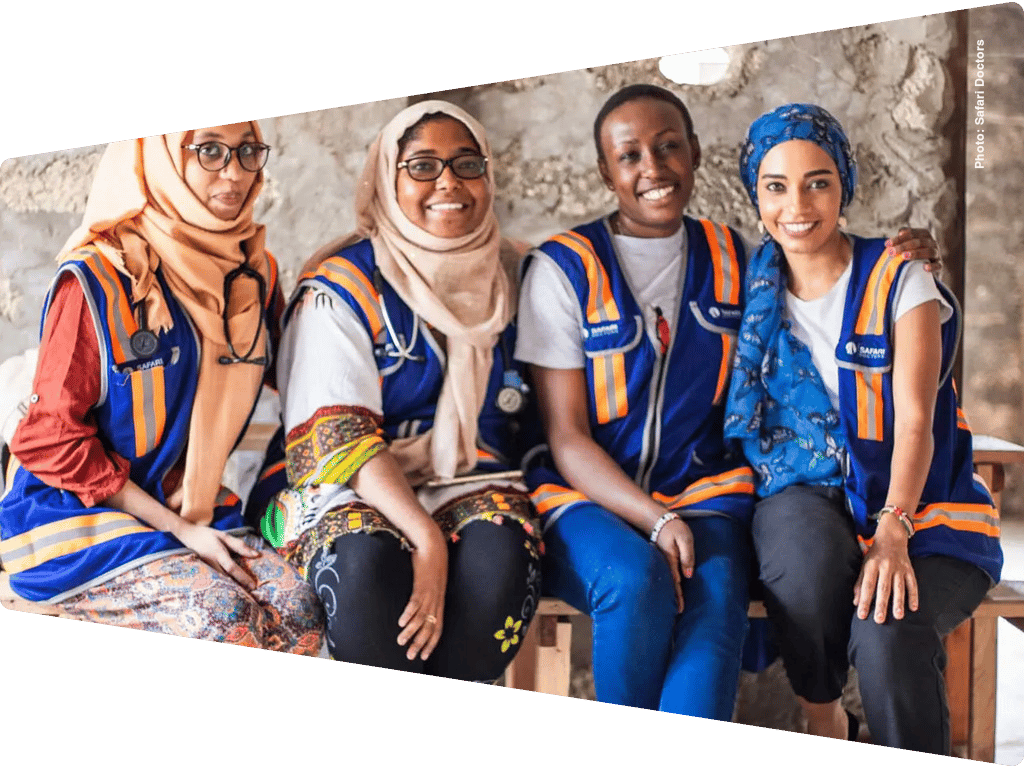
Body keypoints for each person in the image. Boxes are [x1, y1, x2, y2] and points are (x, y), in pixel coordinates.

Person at [515, 84, 939, 718]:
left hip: (706, 493)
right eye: (629, 156)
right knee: (637, 582)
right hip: (586, 495)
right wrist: (656, 520)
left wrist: (914, 257)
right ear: (605, 171)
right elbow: (567, 436)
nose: (652, 169)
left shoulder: (740, 259)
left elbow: (827, 270)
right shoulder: (562, 267)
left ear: (696, 155)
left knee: (716, 605)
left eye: (668, 148)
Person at [725, 103, 1002, 753]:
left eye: (817, 181)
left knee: (888, 628)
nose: (797, 203)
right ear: (755, 195)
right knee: (799, 559)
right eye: (776, 185)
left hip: (926, 515)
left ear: (844, 185)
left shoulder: (900, 277)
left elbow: (914, 422)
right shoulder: (743, 288)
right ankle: (825, 723)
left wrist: (893, 528)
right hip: (805, 492)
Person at [0, 123, 324, 655]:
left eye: (247, 152)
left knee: (300, 611)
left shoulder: (252, 271)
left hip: (191, 505)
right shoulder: (100, 278)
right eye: (210, 152)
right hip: (76, 519)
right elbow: (50, 439)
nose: (236, 171)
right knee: (224, 620)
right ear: (162, 158)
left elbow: (290, 369)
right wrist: (179, 529)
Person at [246, 101, 541, 682]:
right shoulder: (343, 286)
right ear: (387, 178)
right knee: (363, 566)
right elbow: (337, 439)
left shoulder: (516, 274)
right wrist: (426, 541)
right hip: (334, 483)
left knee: (500, 565)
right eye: (422, 166)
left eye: (466, 164)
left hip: (470, 477)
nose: (449, 183)